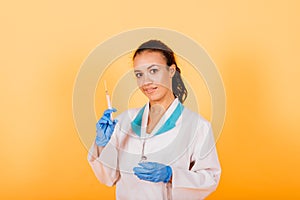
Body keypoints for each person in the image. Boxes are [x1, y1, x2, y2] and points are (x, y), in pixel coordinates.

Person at [88, 40, 221, 200]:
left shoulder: (197, 126)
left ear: (171, 71)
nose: (146, 82)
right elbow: (108, 178)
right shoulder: (124, 121)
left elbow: (210, 179)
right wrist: (102, 144)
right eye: (139, 74)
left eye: (154, 71)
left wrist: (172, 175)